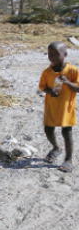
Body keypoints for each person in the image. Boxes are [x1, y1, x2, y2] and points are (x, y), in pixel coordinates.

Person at [39, 41, 79, 172]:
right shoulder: (47, 72)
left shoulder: (73, 71)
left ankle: (68, 160)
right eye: (50, 54)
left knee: (66, 132)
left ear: (65, 54)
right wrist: (51, 92)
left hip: (66, 108)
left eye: (56, 54)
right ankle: (56, 147)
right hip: (51, 106)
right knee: (48, 130)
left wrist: (67, 82)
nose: (52, 57)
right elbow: (42, 87)